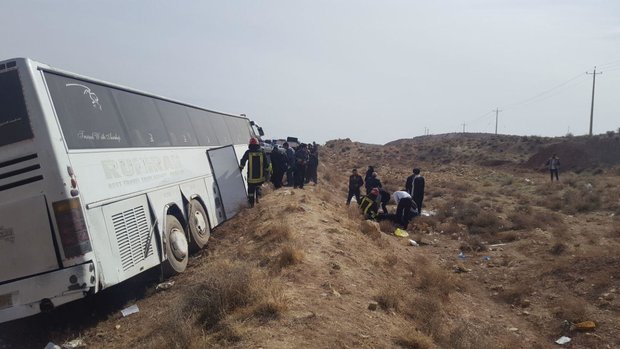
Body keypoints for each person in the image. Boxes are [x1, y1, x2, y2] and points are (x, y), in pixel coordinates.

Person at [240, 137, 270, 207]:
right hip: (260, 177)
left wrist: (241, 168)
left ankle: (251, 204)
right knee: (258, 187)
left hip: (251, 178)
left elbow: (243, 161)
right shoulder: (262, 152)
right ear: (257, 144)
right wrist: (267, 173)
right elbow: (266, 164)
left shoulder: (248, 152)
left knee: (251, 191)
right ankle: (258, 200)